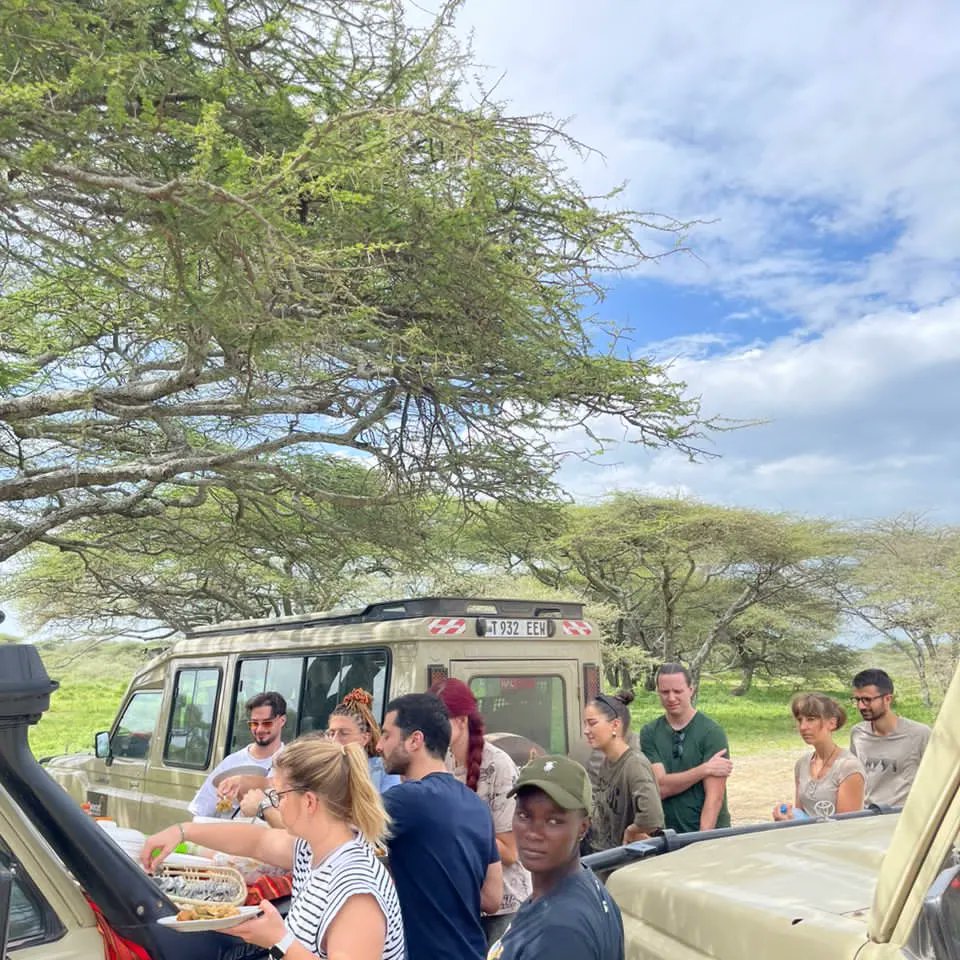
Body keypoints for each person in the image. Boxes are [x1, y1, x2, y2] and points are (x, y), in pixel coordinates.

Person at [142, 737, 405, 960]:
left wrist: (278, 940)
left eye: (279, 796)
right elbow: (255, 841)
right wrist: (182, 831)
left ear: (309, 802)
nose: (275, 804)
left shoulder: (357, 890)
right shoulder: (311, 850)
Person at [377, 692, 502, 960]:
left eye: (386, 735)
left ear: (415, 740)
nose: (378, 745)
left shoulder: (407, 799)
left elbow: (332, 829)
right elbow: (492, 898)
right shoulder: (476, 805)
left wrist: (267, 804)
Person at [486, 754, 624, 960]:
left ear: (583, 827)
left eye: (553, 821)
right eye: (524, 815)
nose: (533, 832)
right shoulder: (576, 884)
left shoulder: (561, 932)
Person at [430, 677, 532, 944]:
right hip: (462, 900)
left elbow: (510, 852)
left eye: (439, 720)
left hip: (504, 905)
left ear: (462, 721)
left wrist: (454, 831)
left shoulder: (498, 765)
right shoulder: (442, 760)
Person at [640, 663, 732, 833]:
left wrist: (701, 841)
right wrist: (703, 770)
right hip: (665, 834)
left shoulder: (712, 733)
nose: (671, 698)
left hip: (706, 834)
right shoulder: (650, 732)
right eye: (665, 692)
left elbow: (714, 798)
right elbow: (660, 788)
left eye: (678, 691)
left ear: (691, 689)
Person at [582, 690, 663, 851]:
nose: (586, 730)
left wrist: (632, 830)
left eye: (592, 723)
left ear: (615, 725)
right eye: (585, 724)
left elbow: (652, 816)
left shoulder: (634, 764)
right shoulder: (607, 762)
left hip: (627, 865)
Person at [189, 691, 286, 818]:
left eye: (267, 723)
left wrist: (244, 782)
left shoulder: (291, 762)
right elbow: (200, 811)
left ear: (282, 721)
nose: (260, 729)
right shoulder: (231, 762)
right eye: (254, 723)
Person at [773, 692, 866, 821]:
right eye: (800, 720)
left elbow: (846, 827)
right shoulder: (802, 764)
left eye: (811, 719)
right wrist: (787, 818)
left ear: (832, 723)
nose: (803, 727)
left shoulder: (848, 768)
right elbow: (801, 814)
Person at [849, 668, 931, 807]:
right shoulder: (857, 733)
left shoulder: (919, 733)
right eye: (857, 699)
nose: (861, 706)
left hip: (905, 817)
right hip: (869, 817)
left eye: (867, 700)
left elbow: (936, 780)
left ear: (887, 699)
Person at [326, 688, 401, 794]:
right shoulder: (321, 770)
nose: (335, 740)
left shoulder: (383, 770)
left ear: (365, 738)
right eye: (331, 733)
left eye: (344, 733)